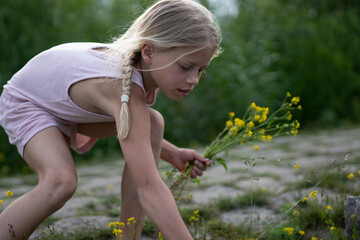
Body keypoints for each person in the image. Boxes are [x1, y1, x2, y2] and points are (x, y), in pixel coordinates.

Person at [0, 0, 222, 239]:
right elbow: (149, 187)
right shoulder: (121, 87)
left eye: (201, 70)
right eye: (186, 67)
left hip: (62, 104)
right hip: (28, 103)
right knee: (60, 182)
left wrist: (172, 153)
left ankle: (129, 237)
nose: (193, 80)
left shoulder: (144, 73)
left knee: (154, 122)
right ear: (148, 52)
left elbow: (135, 132)